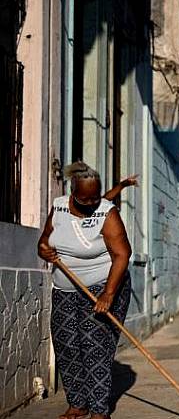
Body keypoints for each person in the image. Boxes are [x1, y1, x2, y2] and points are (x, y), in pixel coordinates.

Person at [37, 162, 134, 419]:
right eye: (84, 198)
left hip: (105, 285)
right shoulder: (58, 206)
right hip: (65, 289)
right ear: (72, 191)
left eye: (95, 196)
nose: (92, 202)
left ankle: (99, 410)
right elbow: (45, 241)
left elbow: (123, 255)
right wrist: (44, 249)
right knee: (66, 344)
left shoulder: (107, 212)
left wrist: (108, 295)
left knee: (94, 345)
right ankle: (78, 403)